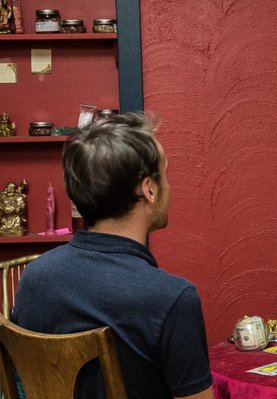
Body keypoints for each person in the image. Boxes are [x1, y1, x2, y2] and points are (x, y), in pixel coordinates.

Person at [13, 113, 214, 399]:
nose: (168, 185)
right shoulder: (172, 299)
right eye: (165, 173)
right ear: (149, 189)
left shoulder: (34, 279)